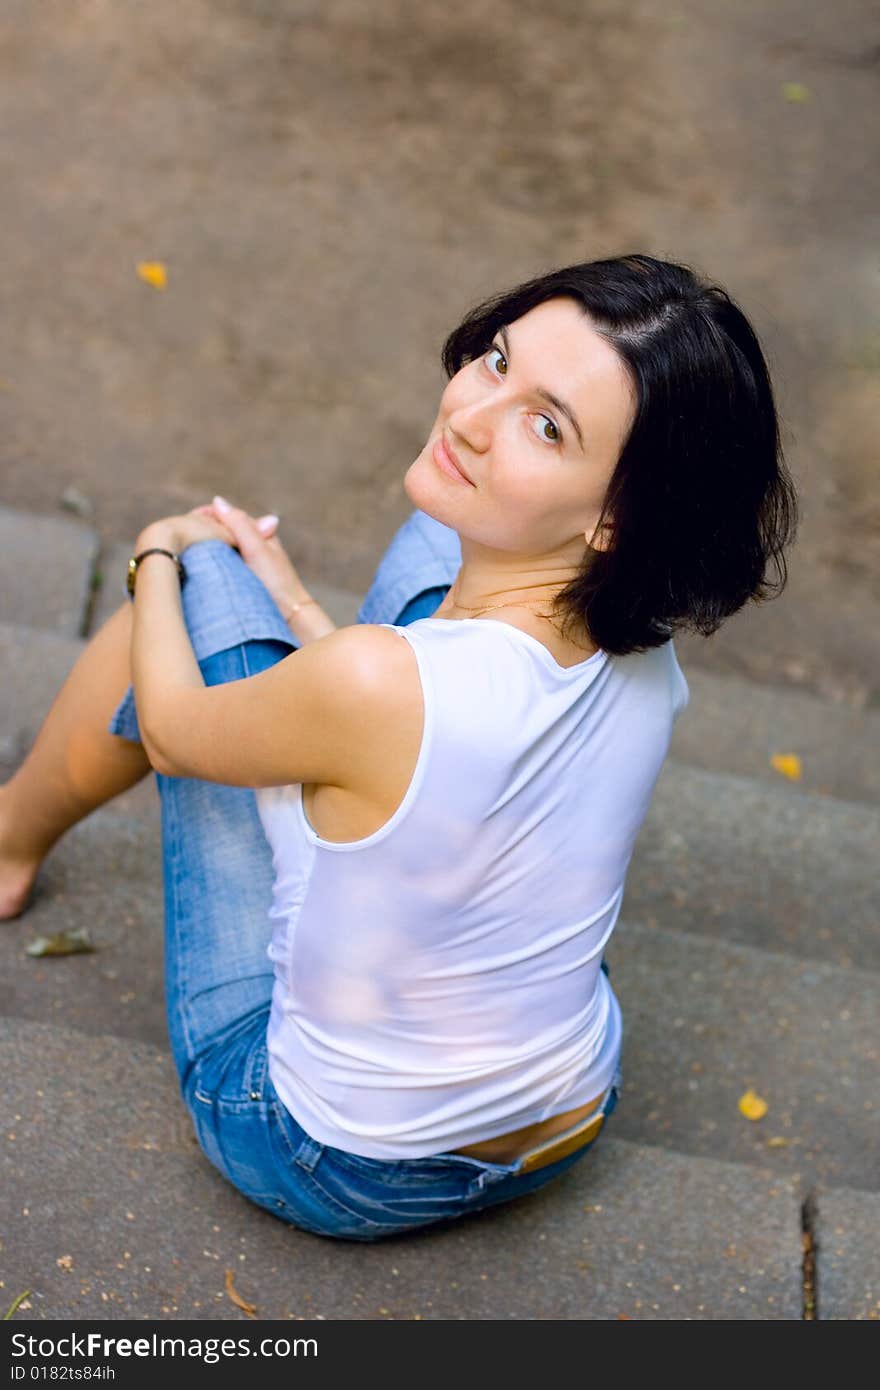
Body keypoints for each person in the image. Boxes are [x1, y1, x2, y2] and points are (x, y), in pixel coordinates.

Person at [0, 253, 798, 1241]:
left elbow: (172, 727)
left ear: (613, 516)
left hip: (331, 1155)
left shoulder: (380, 684)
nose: (469, 414)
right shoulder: (646, 653)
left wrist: (159, 553)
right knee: (434, 543)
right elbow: (423, 714)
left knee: (193, 601)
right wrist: (295, 603)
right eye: (497, 360)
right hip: (569, 1114)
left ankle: (5, 845)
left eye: (545, 426)